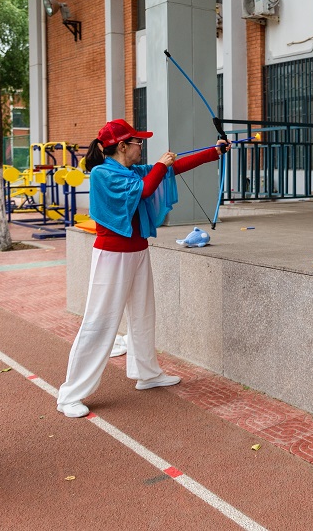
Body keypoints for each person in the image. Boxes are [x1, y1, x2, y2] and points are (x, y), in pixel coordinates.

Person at [56, 119, 227, 418]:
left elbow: (173, 169)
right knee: (99, 323)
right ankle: (70, 394)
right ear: (122, 146)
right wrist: (161, 164)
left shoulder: (131, 171)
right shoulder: (103, 173)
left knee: (143, 315)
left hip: (137, 251)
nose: (141, 146)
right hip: (112, 256)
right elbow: (146, 189)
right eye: (138, 142)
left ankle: (146, 373)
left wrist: (213, 152)